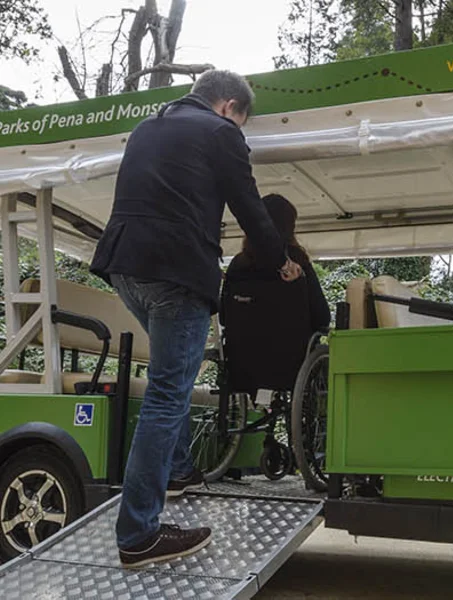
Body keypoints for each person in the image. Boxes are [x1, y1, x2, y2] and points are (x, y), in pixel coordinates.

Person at [90, 70, 302, 568]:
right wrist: (280, 261)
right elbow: (250, 208)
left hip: (124, 267)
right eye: (242, 122)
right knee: (168, 391)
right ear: (229, 106)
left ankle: (180, 470)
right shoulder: (220, 132)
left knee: (171, 379)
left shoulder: (147, 127)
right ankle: (139, 533)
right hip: (176, 270)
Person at [222, 194, 331, 393]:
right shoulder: (297, 264)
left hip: (242, 365)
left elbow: (224, 316)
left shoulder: (237, 265)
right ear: (290, 228)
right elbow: (322, 316)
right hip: (290, 366)